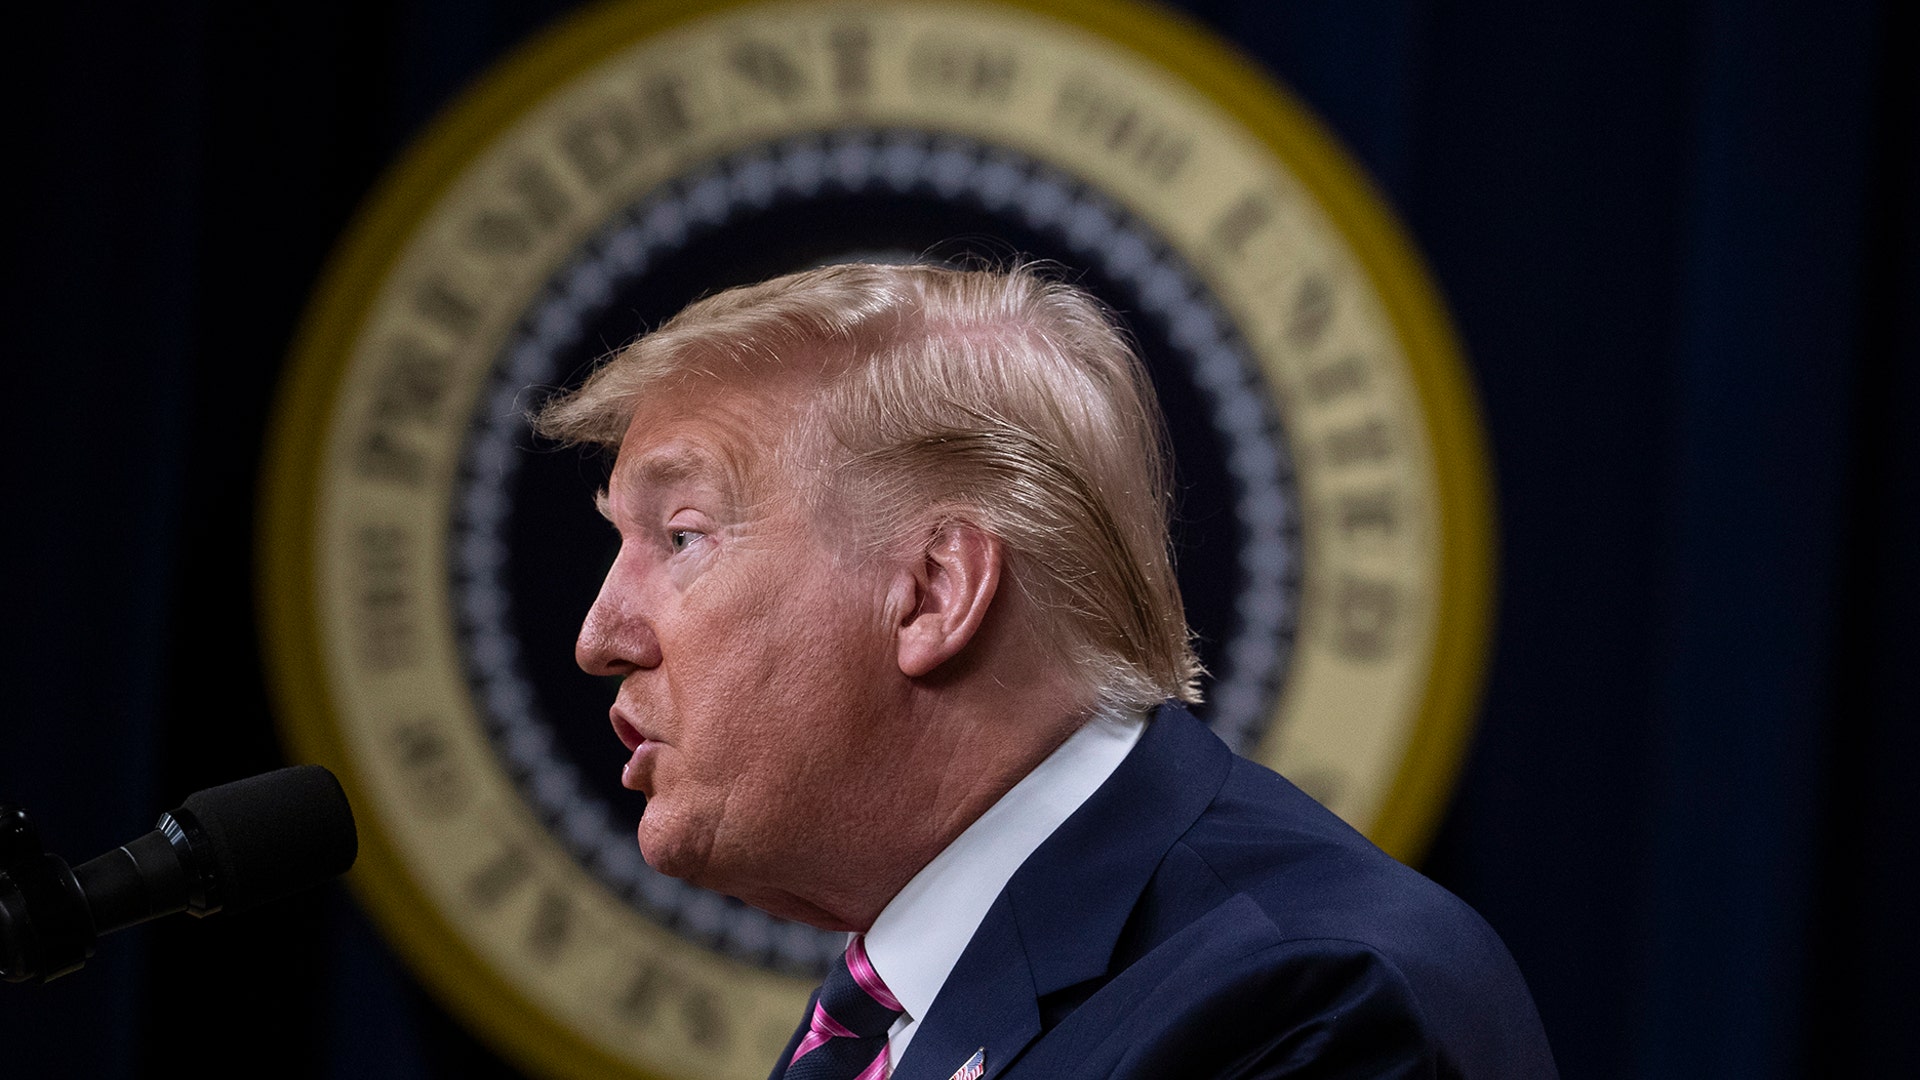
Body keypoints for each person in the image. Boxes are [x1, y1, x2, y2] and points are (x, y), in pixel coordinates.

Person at [533, 263, 1556, 1079]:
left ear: (935, 593)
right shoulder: (890, 1009)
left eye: (681, 537)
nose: (599, 635)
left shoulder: (1302, 1003)